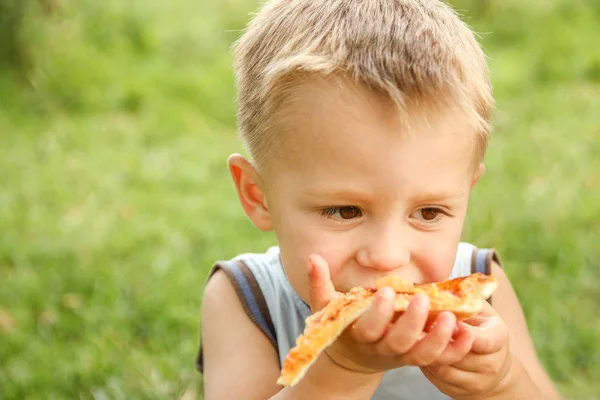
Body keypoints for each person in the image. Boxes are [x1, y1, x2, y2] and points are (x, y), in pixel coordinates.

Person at [198, 0, 562, 398]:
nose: (389, 257)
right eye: (344, 211)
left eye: (428, 212)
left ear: (467, 194)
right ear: (258, 196)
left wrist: (502, 381)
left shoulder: (479, 289)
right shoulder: (247, 300)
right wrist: (343, 368)